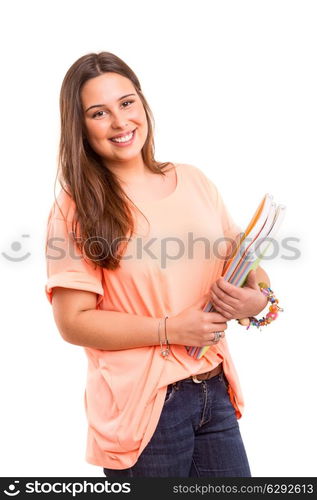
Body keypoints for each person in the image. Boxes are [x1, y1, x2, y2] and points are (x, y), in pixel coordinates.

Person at [44, 51, 271, 477]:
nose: (120, 122)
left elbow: (246, 261)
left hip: (214, 391)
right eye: (99, 112)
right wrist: (169, 328)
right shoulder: (77, 207)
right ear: (80, 127)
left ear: (143, 103)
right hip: (144, 408)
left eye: (127, 103)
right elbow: (72, 321)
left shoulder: (193, 180)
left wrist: (255, 301)